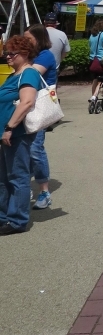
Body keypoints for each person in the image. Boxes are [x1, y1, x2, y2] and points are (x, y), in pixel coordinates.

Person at [0, 34, 43, 234]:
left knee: (17, 176)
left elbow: (27, 102)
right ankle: (3, 216)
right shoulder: (15, 74)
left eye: (12, 53)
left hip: (16, 134)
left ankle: (17, 220)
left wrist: (9, 128)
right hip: (6, 134)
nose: (7, 57)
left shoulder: (28, 74)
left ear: (24, 54)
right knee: (3, 177)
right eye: (6, 53)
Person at [26, 25, 58, 210]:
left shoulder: (45, 55)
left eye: (28, 38)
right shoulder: (29, 57)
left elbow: (31, 73)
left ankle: (44, 191)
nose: (26, 41)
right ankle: (25, 188)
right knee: (23, 149)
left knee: (35, 149)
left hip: (39, 107)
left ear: (38, 39)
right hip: (24, 106)